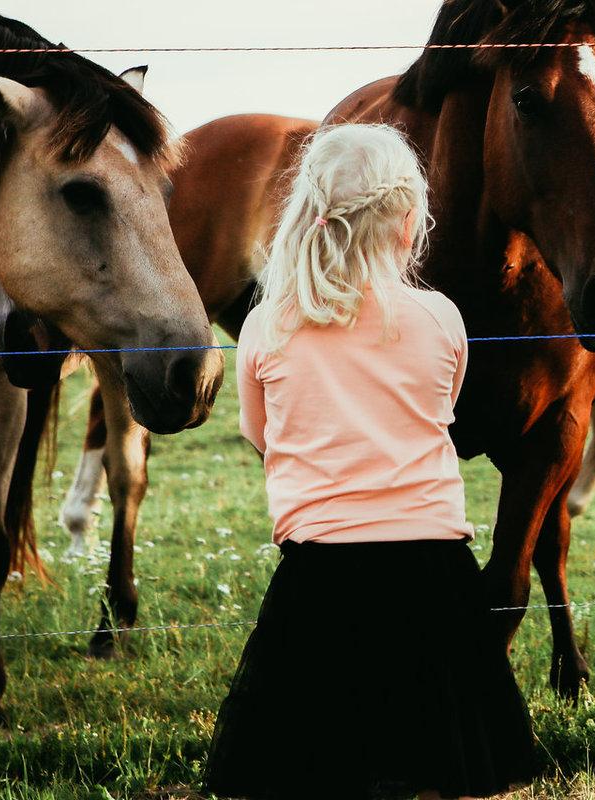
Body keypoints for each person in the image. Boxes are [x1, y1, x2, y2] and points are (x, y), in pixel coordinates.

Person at [205, 123, 537, 800]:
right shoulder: (440, 316)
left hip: (322, 572)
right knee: (447, 766)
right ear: (410, 222)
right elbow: (436, 410)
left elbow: (259, 434)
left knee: (316, 767)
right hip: (433, 573)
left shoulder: (268, 324)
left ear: (309, 211)